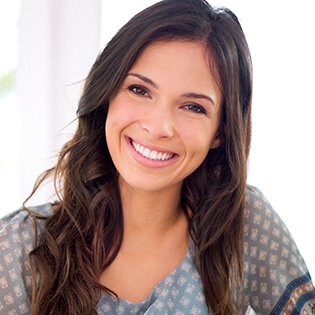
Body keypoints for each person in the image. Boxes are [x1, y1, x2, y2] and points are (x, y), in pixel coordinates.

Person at [0, 0, 314, 314]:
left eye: (193, 107)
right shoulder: (16, 247)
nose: (158, 127)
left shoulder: (242, 224)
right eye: (139, 90)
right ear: (107, 93)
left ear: (220, 132)